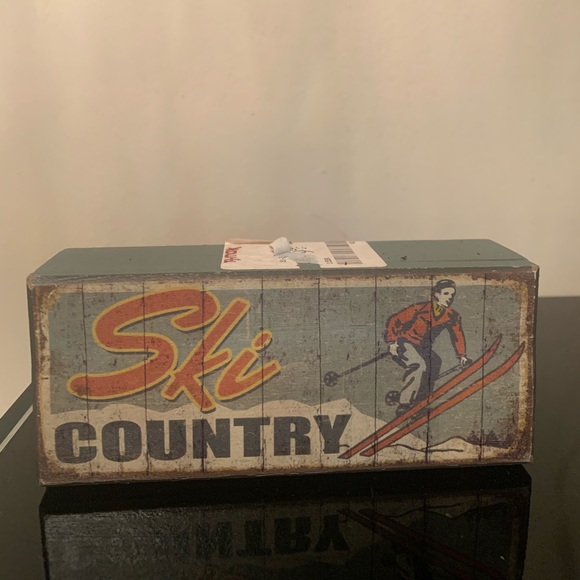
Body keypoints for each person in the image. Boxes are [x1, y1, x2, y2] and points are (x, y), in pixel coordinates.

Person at [384, 279, 469, 415]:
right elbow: (395, 320)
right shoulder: (420, 308)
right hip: (405, 343)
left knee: (435, 362)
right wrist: (392, 342)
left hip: (423, 348)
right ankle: (404, 404)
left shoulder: (452, 316)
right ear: (436, 294)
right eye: (446, 294)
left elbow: (457, 335)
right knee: (418, 365)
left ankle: (420, 402)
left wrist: (462, 355)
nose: (449, 298)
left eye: (452, 295)